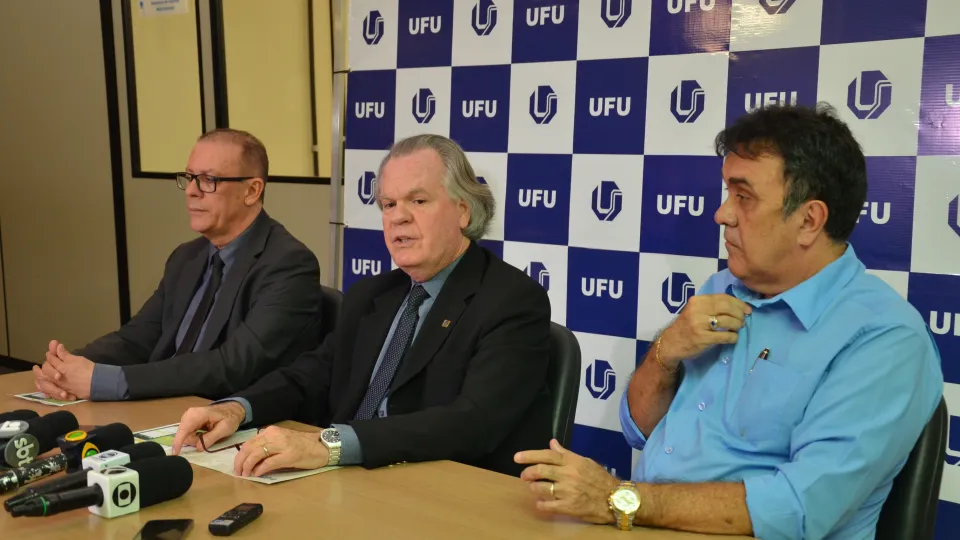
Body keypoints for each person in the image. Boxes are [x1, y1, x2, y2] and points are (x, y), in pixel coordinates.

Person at [514, 103, 944, 539]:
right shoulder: (722, 286)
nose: (722, 214)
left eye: (744, 197)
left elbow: (799, 509)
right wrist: (666, 353)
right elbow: (639, 430)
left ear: (809, 220)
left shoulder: (884, 339)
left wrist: (619, 499)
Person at [169, 134, 553, 478]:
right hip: (347, 480)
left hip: (441, 490)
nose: (397, 216)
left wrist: (330, 444)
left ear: (463, 211)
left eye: (418, 200)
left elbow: (471, 422)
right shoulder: (372, 294)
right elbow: (311, 375)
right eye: (388, 204)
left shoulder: (512, 301)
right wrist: (237, 408)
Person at [33, 128, 323, 402]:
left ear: (252, 191)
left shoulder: (288, 265)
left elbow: (232, 367)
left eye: (208, 180)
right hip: (164, 408)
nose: (191, 191)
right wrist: (66, 368)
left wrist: (105, 380)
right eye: (189, 177)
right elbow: (138, 338)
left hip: (234, 424)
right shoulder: (187, 257)